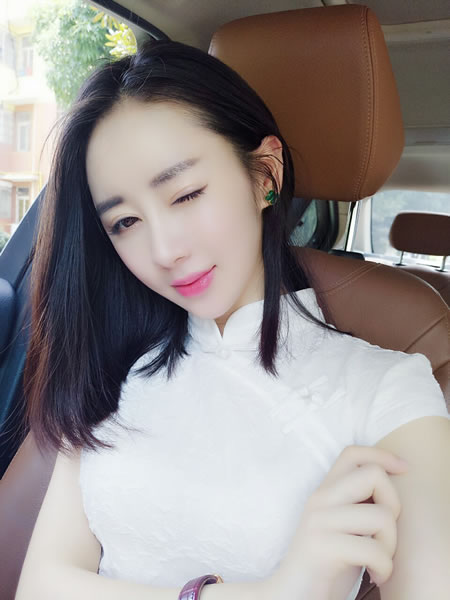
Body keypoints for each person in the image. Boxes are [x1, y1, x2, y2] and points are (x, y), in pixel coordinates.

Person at [16, 40, 448, 600]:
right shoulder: (110, 364)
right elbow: (39, 585)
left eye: (186, 194)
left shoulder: (389, 392)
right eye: (125, 223)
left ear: (264, 173)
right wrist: (271, 593)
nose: (164, 251)